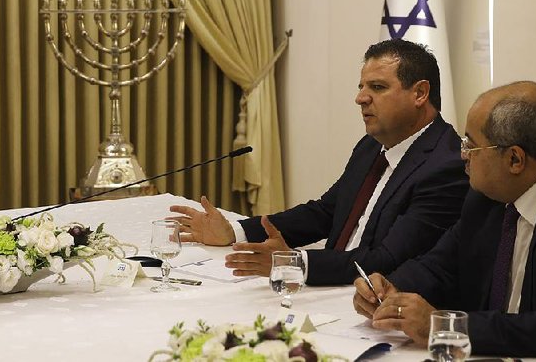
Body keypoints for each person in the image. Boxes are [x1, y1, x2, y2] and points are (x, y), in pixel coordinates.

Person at [170, 39, 469, 285]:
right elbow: (325, 213)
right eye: (361, 86)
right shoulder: (371, 146)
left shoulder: (446, 166)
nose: (360, 98)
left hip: (378, 301)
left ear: (419, 93)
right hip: (330, 286)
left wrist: (295, 262)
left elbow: (387, 259)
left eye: (377, 88)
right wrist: (235, 231)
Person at [353, 81, 536, 357]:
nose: (462, 154)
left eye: (471, 146)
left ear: (515, 160)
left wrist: (448, 327)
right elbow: (440, 267)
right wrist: (391, 290)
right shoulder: (487, 195)